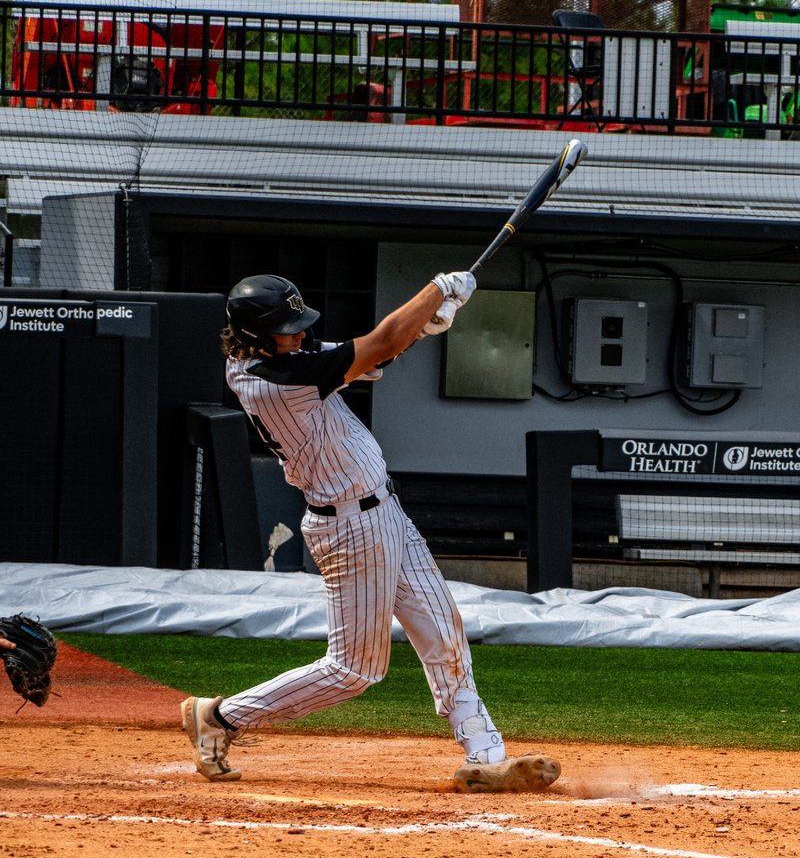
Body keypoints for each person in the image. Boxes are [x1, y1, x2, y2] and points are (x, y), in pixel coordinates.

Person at [181, 270, 561, 794]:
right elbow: (380, 341)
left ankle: (486, 757)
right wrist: (436, 290)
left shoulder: (286, 358)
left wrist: (426, 325)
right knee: (353, 670)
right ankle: (223, 716)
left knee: (444, 633)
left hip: (383, 511)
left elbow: (376, 354)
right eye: (287, 328)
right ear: (253, 336)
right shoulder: (273, 379)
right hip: (348, 526)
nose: (299, 334)